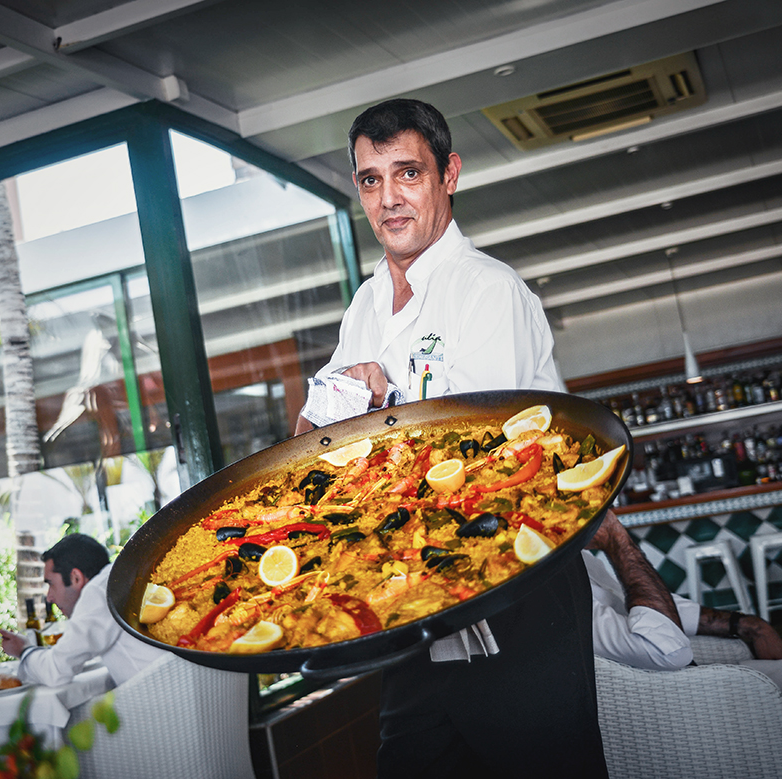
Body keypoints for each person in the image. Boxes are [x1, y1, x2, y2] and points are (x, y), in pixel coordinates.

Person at [296, 98, 604, 778]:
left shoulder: (488, 290)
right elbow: (317, 432)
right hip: (415, 606)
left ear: (450, 174)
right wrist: (333, 411)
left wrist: (380, 402)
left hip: (517, 589)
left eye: (408, 173)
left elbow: (482, 460)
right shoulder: (366, 303)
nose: (389, 197)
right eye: (371, 179)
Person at [588, 510, 782, 777]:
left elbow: (645, 604)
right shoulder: (549, 588)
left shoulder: (583, 560)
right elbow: (663, 647)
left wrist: (747, 625)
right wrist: (618, 540)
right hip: (673, 716)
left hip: (701, 680)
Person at [0, 533, 164, 687]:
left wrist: (23, 650)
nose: (49, 597)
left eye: (50, 584)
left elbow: (56, 670)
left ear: (76, 578)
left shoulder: (98, 592)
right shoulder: (121, 575)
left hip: (159, 701)